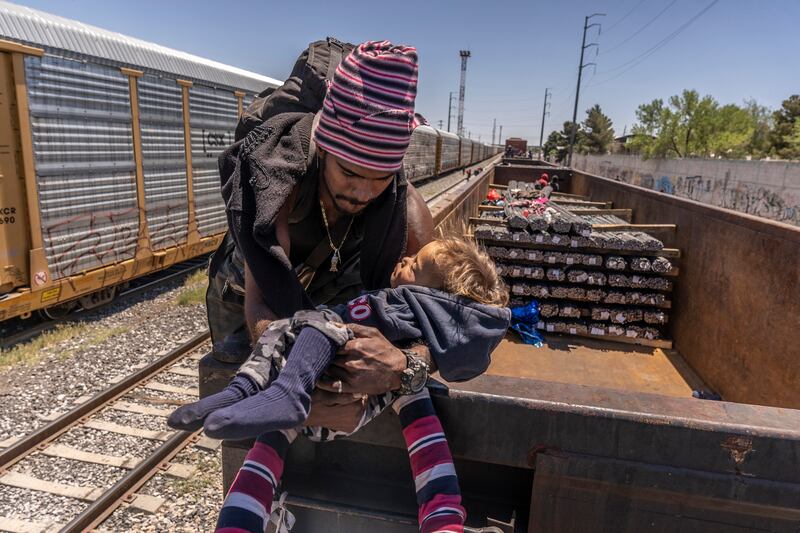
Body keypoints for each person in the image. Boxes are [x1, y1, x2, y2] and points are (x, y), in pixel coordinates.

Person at [169, 237, 511, 532]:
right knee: (424, 432)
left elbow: (469, 335)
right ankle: (241, 394)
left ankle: (443, 518)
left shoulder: (408, 305)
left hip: (335, 384)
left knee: (270, 442)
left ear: (431, 295)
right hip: (310, 380)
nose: (404, 258)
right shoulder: (282, 197)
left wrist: (406, 365)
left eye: (414, 264)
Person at [219, 41, 473, 434]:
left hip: (334, 309)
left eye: (379, 179)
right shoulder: (275, 178)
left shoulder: (404, 211)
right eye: (350, 173)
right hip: (265, 288)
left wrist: (404, 367)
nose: (362, 192)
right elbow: (261, 302)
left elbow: (450, 320)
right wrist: (299, 388)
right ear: (324, 148)